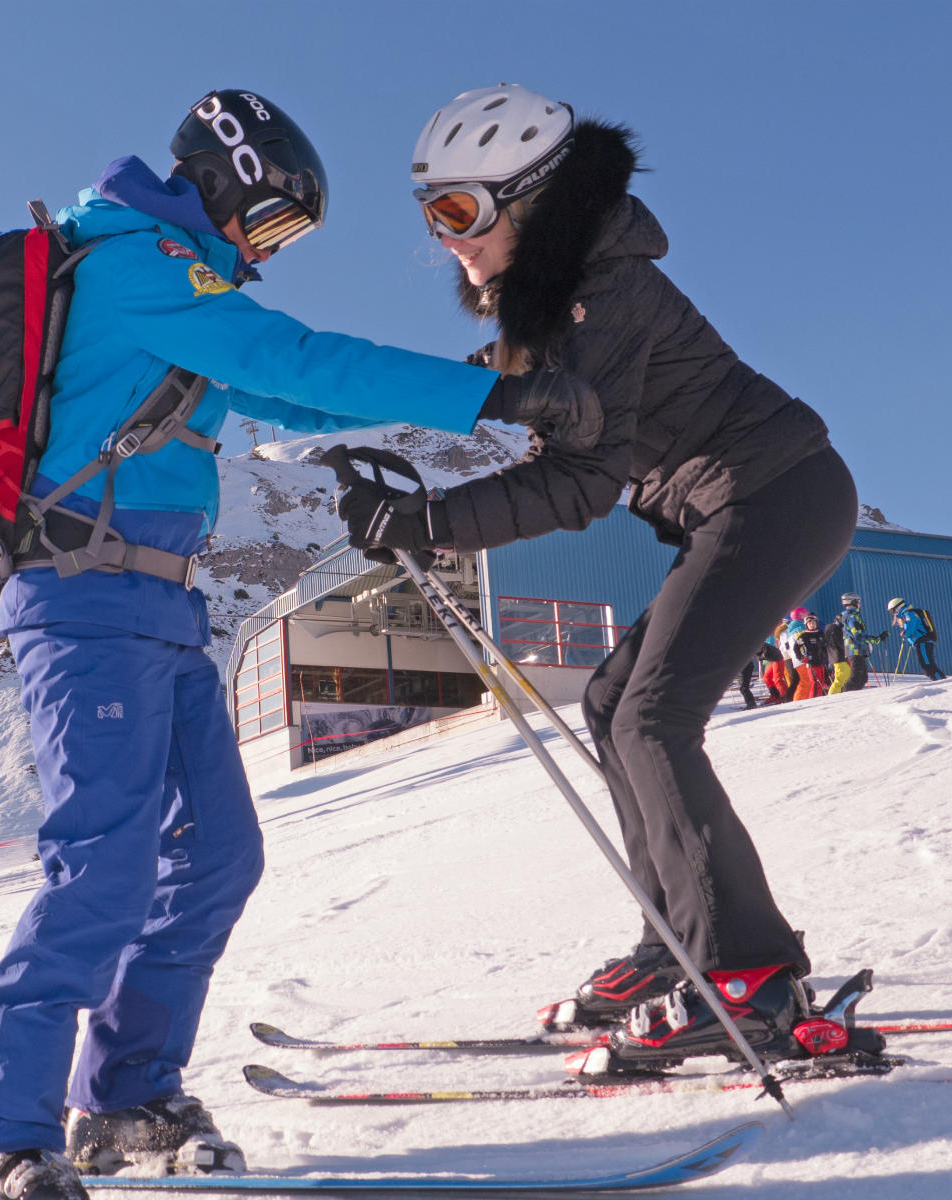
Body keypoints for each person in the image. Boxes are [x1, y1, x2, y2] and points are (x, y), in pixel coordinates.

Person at [0, 89, 593, 1200]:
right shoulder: (136, 260)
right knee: (101, 864)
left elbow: (285, 394)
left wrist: (474, 397)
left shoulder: (173, 285)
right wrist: (494, 393)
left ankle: (127, 1095)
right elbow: (299, 359)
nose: (266, 251)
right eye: (273, 224)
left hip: (161, 608)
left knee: (218, 856)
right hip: (82, 597)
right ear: (228, 179)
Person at [341, 85, 868, 1070]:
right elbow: (553, 407)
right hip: (732, 503)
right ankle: (675, 942)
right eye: (430, 216)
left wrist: (431, 524)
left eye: (458, 212)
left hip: (777, 495)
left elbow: (581, 482)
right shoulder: (558, 298)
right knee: (612, 700)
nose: (443, 239)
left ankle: (745, 968)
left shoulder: (600, 295)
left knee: (649, 717)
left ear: (529, 201)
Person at [889, 597, 946, 680]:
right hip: (920, 642)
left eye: (893, 610)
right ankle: (939, 680)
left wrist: (905, 633)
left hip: (923, 641)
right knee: (926, 664)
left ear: (899, 607)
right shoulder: (907, 614)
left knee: (927, 664)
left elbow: (911, 629)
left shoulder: (909, 614)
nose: (893, 613)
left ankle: (941, 681)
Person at [827, 593, 874, 693]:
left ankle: (852, 697)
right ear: (853, 602)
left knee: (862, 678)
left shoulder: (850, 615)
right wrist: (875, 639)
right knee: (855, 678)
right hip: (854, 649)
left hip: (856, 649)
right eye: (858, 602)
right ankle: (845, 696)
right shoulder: (851, 616)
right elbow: (857, 634)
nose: (860, 604)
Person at [792, 611, 830, 700]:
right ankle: (812, 700)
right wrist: (801, 657)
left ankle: (819, 699)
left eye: (813, 623)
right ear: (806, 625)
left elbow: (826, 646)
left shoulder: (821, 634)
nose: (812, 625)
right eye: (810, 623)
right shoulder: (804, 636)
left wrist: (826, 656)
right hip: (811, 662)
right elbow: (796, 648)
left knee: (822, 682)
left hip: (821, 662)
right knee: (815, 683)